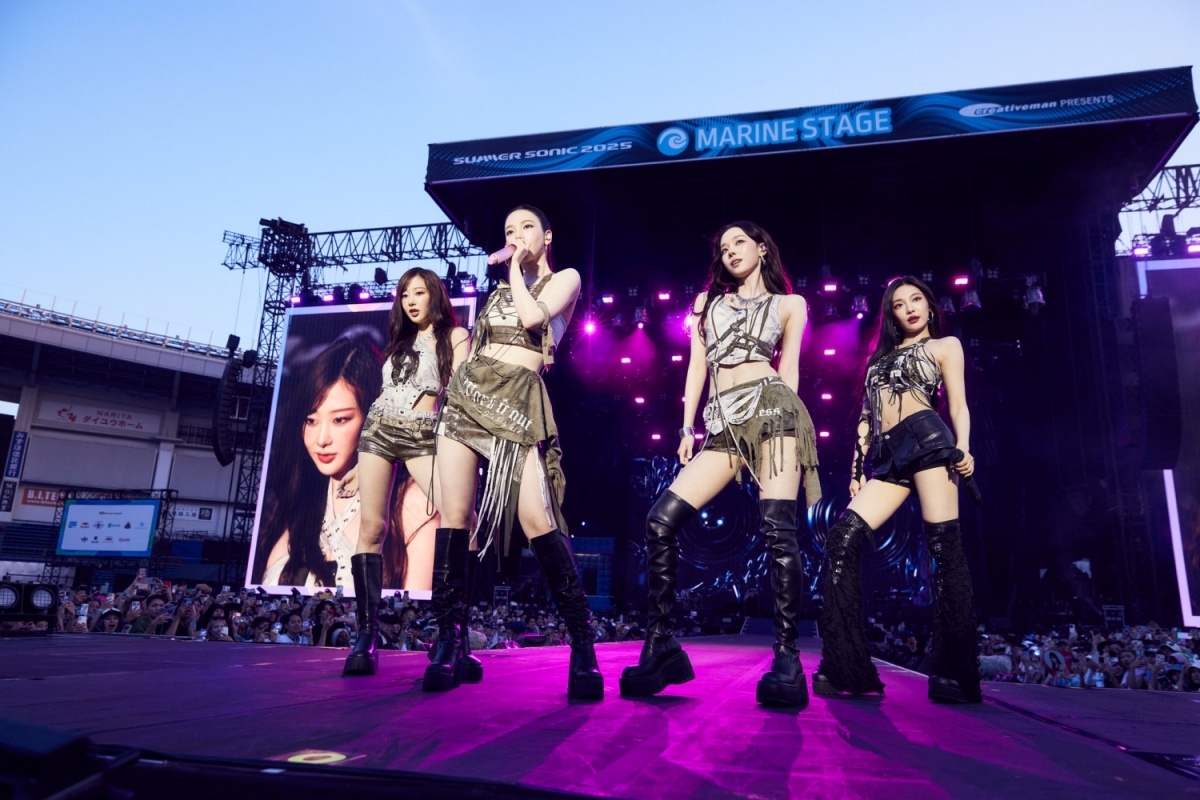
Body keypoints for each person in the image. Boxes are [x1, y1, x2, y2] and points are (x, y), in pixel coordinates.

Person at [620, 221, 820, 708]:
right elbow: (697, 367)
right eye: (724, 246)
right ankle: (661, 644)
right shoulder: (707, 304)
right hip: (721, 426)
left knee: (779, 531)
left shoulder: (790, 304)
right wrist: (686, 428)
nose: (730, 251)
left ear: (762, 248)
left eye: (740, 242)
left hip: (773, 413)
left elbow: (789, 368)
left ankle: (787, 657)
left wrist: (786, 425)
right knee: (660, 520)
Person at [434, 204, 600, 698]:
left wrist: (512, 267)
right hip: (468, 397)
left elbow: (531, 319)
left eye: (526, 227)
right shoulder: (499, 292)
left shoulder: (564, 279)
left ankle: (582, 644)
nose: (516, 235)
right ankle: (449, 641)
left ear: (547, 236)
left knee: (537, 520)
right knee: (455, 519)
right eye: (509, 230)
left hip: (515, 402)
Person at [814, 275, 979, 703]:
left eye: (916, 299)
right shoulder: (878, 360)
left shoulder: (945, 346)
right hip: (888, 457)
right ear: (891, 314)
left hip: (928, 442)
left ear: (929, 305)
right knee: (841, 539)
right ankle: (845, 664)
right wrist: (856, 469)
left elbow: (958, 404)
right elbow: (866, 419)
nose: (910, 308)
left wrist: (963, 448)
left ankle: (954, 673)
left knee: (944, 551)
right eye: (900, 304)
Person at [341, 268, 469, 677]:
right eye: (404, 295)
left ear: (435, 295)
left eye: (419, 293)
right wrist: (359, 464)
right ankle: (366, 636)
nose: (411, 301)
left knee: (461, 518)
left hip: (423, 435)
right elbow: (385, 394)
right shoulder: (400, 342)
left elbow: (460, 394)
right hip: (378, 431)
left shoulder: (456, 336)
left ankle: (454, 633)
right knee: (371, 528)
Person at [256, 335, 383, 589]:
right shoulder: (290, 505)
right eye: (311, 420)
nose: (321, 439)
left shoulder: (407, 504)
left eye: (340, 420)